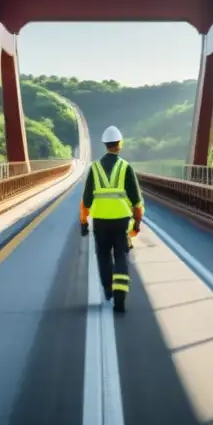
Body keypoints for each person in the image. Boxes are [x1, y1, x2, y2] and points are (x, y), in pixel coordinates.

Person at [80, 125, 145, 313]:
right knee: (121, 255)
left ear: (104, 144)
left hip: (100, 220)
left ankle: (108, 289)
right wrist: (138, 223)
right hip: (122, 221)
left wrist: (84, 222)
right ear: (120, 144)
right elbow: (136, 201)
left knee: (102, 255)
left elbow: (86, 200)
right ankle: (120, 298)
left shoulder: (94, 168)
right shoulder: (126, 168)